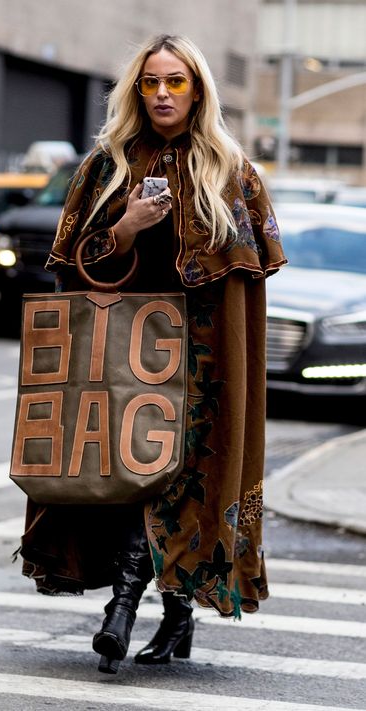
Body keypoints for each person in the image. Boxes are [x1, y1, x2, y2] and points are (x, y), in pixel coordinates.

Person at [18, 34, 287, 675]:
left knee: (177, 486)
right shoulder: (106, 166)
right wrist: (127, 227)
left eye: (176, 82)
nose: (163, 93)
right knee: (132, 482)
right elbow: (70, 264)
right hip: (124, 356)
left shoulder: (232, 170)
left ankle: (127, 610)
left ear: (197, 91)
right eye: (150, 83)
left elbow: (247, 285)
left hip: (202, 366)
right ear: (135, 92)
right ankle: (167, 616)